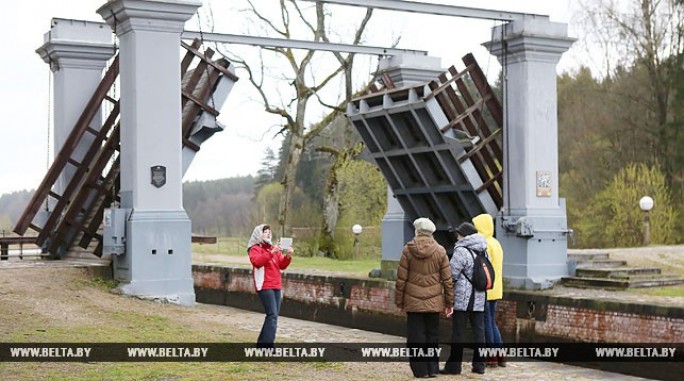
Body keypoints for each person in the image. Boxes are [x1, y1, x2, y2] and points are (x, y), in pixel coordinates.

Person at [396, 217, 454, 379]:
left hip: (413, 302)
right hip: (434, 302)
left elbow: (401, 279)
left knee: (416, 337)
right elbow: (447, 280)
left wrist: (399, 302)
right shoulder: (440, 251)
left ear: (417, 231)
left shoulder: (408, 250)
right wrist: (449, 303)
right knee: (432, 336)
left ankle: (420, 371)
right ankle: (433, 368)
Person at [441, 222, 488, 375]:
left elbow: (452, 274)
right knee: (479, 333)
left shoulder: (461, 250)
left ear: (464, 235)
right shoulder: (483, 249)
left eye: (459, 233)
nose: (456, 236)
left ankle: (454, 366)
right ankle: (479, 365)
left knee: (458, 333)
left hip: (463, 299)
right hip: (480, 297)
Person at [247, 224, 293, 347]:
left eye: (269, 231)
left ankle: (262, 344)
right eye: (265, 232)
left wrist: (288, 256)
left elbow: (281, 265)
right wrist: (271, 253)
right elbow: (257, 262)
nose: (268, 233)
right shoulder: (255, 249)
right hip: (265, 285)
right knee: (272, 314)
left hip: (276, 285)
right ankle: (267, 346)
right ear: (258, 234)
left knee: (273, 315)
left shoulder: (274, 248)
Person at [473, 213, 506, 367]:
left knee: (486, 323)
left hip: (486, 290)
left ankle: (491, 356)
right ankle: (500, 356)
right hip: (497, 289)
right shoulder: (496, 243)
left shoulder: (483, 243)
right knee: (492, 322)